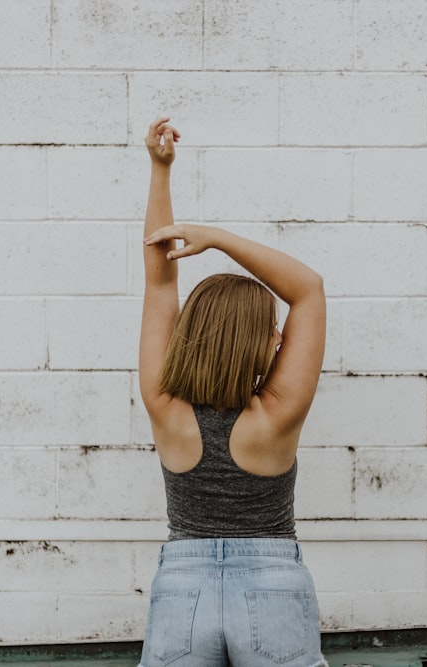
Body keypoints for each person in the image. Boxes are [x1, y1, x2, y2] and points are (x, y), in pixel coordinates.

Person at [137, 116, 328, 667]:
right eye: (272, 329)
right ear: (262, 343)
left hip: (183, 588)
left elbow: (159, 278)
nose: (278, 336)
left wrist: (159, 169)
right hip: (273, 583)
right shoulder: (277, 417)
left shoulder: (165, 406)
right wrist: (217, 237)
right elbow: (308, 290)